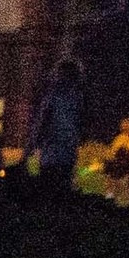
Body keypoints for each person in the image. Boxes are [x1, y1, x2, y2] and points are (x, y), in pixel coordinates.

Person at [28, 55, 86, 196]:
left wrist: (34, 143)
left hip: (52, 150)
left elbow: (42, 119)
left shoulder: (53, 94)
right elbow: (81, 122)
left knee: (48, 188)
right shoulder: (78, 96)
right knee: (63, 187)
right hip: (68, 151)